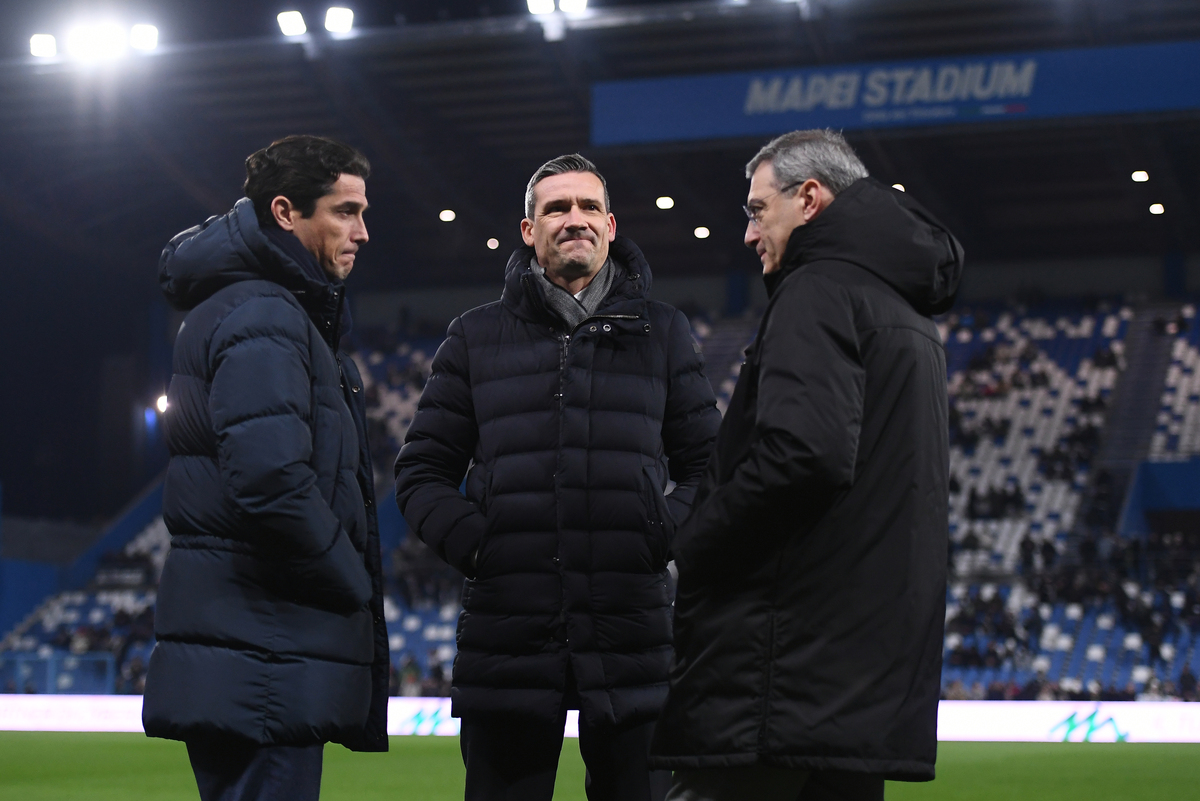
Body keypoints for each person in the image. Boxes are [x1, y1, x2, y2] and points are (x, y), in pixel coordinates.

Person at [395, 153, 721, 801]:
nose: (575, 219)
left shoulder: (664, 333)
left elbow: (709, 468)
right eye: (557, 208)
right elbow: (421, 472)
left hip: (633, 635)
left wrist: (660, 534)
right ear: (528, 229)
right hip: (508, 636)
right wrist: (483, 546)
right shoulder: (473, 337)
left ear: (610, 223)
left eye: (587, 206)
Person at [650, 129, 964, 800]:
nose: (748, 232)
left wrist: (690, 547)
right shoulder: (909, 314)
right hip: (856, 685)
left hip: (779, 676)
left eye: (758, 209)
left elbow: (804, 455)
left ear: (811, 198)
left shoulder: (817, 290)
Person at [143, 135, 389, 801]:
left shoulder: (264, 307)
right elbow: (272, 478)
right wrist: (351, 576)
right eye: (345, 211)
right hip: (265, 653)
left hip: (255, 648)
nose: (363, 231)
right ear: (285, 212)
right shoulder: (266, 312)